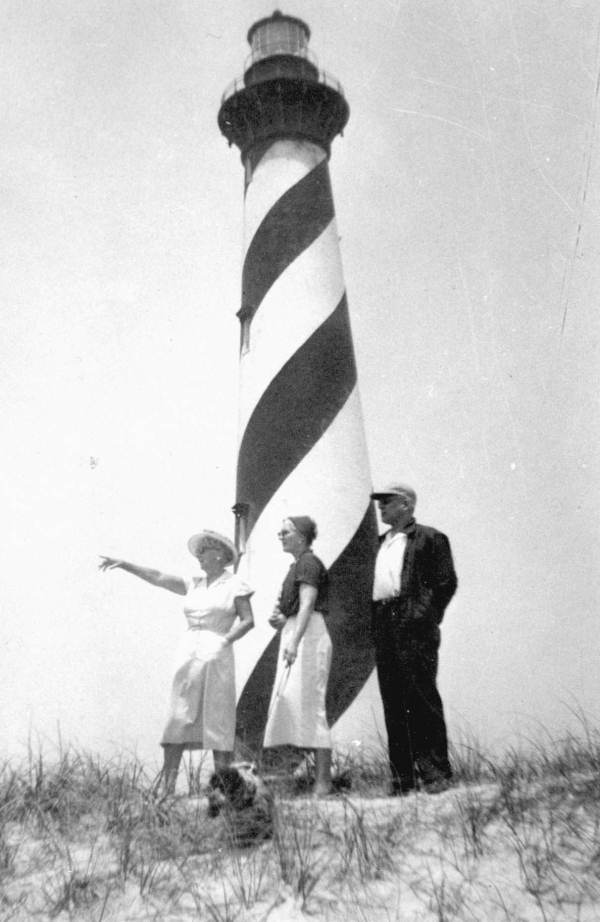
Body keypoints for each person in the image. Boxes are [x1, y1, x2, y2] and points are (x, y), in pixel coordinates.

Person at [99, 530, 254, 794]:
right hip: (189, 651)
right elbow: (158, 577)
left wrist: (225, 640)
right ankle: (167, 787)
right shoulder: (194, 582)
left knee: (218, 716)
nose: (199, 557)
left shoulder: (234, 584)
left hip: (217, 652)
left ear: (219, 554)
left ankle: (223, 788)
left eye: (203, 552)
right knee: (179, 715)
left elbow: (248, 620)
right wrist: (126, 565)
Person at [370, 483, 457, 795]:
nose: (381, 508)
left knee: (420, 695)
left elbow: (445, 582)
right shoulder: (378, 543)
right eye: (380, 504)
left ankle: (435, 773)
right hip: (384, 622)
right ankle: (402, 779)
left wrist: (424, 615)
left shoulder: (430, 538)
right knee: (393, 700)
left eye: (387, 503)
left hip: (414, 624)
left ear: (406, 505)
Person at [262, 516, 333, 796]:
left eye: (286, 531)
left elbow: (307, 604)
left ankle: (323, 782)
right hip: (297, 632)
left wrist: (294, 640)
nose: (280, 534)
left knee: (313, 706)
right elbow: (295, 608)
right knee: (292, 704)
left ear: (301, 537)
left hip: (309, 635)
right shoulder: (297, 566)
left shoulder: (308, 564)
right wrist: (283, 622)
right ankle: (303, 779)